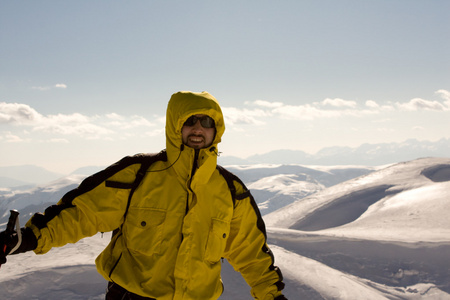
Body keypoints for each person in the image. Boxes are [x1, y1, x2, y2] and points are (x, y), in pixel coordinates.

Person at [0, 91, 287, 300]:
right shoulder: (138, 174)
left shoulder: (231, 191)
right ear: (176, 125)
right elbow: (83, 213)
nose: (198, 128)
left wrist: (272, 296)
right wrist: (27, 239)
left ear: (217, 130)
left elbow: (250, 251)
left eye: (207, 122)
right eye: (191, 120)